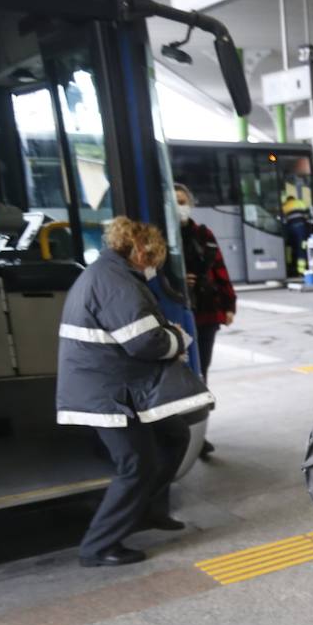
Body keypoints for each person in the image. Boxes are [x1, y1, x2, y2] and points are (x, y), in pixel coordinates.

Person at [56, 217, 214, 567]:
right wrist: (177, 339)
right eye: (154, 258)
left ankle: (147, 511)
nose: (155, 266)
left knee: (173, 436)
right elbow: (145, 341)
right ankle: (98, 547)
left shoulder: (112, 274)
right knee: (136, 464)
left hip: (116, 385)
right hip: (105, 392)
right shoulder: (114, 281)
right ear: (141, 251)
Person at [175, 183, 237, 458]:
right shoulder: (164, 236)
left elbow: (220, 271)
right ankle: (181, 432)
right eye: (174, 201)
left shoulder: (203, 234)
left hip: (206, 315)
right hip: (177, 315)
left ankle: (200, 434)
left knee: (201, 372)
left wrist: (229, 304)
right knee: (180, 377)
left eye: (183, 200)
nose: (180, 206)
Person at [282, 192, 313, 276]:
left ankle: (289, 266)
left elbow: (283, 220)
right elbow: (308, 217)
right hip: (301, 228)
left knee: (289, 247)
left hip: (290, 228)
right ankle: (301, 270)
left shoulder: (285, 206)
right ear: (294, 199)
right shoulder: (300, 203)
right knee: (301, 247)